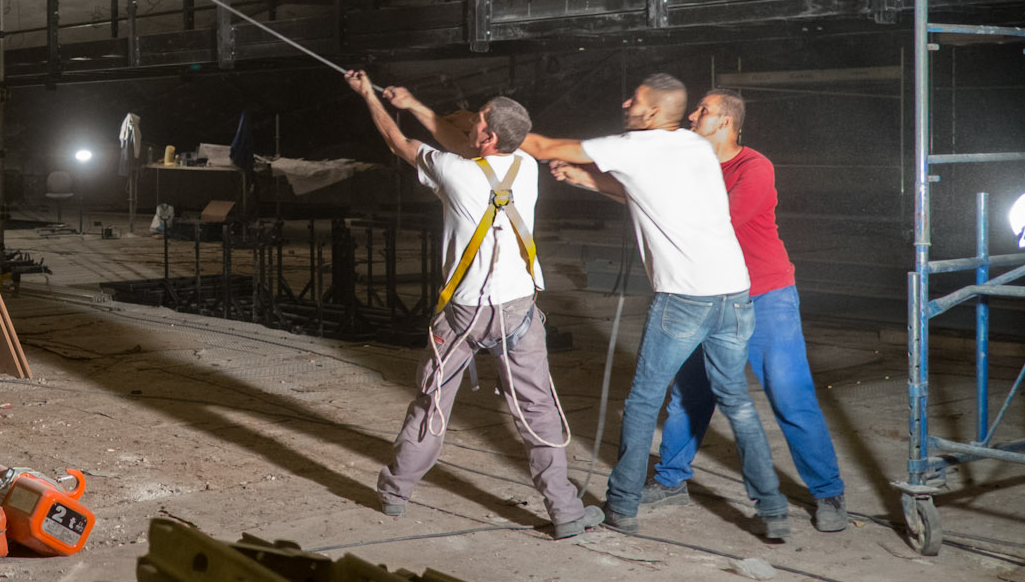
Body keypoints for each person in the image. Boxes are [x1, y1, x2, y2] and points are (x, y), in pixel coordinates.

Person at [555, 89, 848, 532]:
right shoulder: (691, 162)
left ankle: (828, 492)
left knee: (789, 393)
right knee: (689, 395)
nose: (693, 115)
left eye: (703, 111)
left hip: (765, 295)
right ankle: (672, 481)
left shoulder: (754, 167)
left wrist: (597, 180)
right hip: (705, 294)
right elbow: (658, 202)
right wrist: (590, 180)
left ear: (727, 123)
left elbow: (706, 219)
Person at [521, 73, 791, 541]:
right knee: (739, 404)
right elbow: (651, 196)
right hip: (733, 293)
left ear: (651, 112)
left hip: (685, 296)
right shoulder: (693, 146)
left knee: (644, 401)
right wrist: (588, 180)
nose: (626, 102)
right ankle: (772, 508)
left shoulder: (633, 144)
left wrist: (480, 124)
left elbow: (543, 146)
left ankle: (622, 505)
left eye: (636, 99)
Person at [346, 70, 603, 540]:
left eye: (477, 121)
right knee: (538, 409)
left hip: (462, 313)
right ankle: (565, 511)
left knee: (431, 404)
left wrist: (370, 96)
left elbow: (396, 142)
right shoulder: (523, 164)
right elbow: (464, 139)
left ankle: (395, 492)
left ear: (486, 135)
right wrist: (416, 103)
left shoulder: (455, 171)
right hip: (518, 311)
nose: (469, 124)